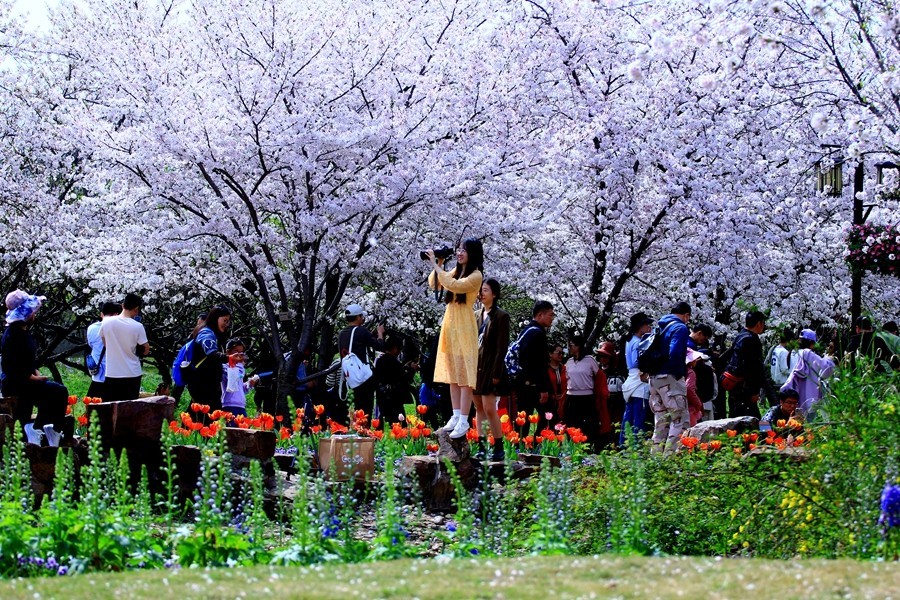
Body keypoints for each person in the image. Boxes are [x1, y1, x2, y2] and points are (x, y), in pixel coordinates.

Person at [427, 239, 484, 439]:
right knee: (453, 374)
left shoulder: (476, 275)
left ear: (472, 254)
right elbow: (434, 283)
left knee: (465, 377)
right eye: (459, 249)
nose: (459, 253)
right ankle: (456, 414)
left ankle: (464, 419)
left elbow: (454, 286)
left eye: (464, 250)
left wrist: (435, 265)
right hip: (450, 323)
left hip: (464, 325)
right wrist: (439, 264)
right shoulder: (456, 271)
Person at [0, 290, 69, 446]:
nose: (34, 314)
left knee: (52, 392)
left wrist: (36, 374)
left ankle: (47, 429)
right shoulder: (15, 335)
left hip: (22, 380)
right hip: (16, 383)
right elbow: (13, 366)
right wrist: (34, 378)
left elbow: (27, 361)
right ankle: (39, 428)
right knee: (59, 392)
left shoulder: (19, 332)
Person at [472, 278, 510, 461]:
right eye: (480, 290)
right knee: (478, 406)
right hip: (476, 366)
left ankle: (498, 446)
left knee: (489, 407)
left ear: (494, 294)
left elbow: (502, 347)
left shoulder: (501, 316)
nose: (482, 294)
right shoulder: (476, 315)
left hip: (490, 366)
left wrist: (496, 372)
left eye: (485, 290)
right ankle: (481, 446)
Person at [649, 302, 691, 454]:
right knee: (679, 418)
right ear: (686, 315)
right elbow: (674, 353)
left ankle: (655, 456)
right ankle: (672, 458)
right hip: (670, 378)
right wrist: (679, 374)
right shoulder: (680, 328)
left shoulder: (659, 327)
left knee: (661, 420)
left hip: (654, 379)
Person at [511, 300, 554, 435]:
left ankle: (521, 445)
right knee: (549, 417)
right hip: (532, 385)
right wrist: (543, 388)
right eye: (550, 315)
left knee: (522, 421)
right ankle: (535, 443)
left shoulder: (526, 331)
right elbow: (538, 363)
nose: (552, 318)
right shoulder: (538, 333)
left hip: (521, 382)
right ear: (540, 315)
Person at [723, 310, 774, 419]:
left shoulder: (740, 335)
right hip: (746, 388)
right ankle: (765, 430)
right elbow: (752, 368)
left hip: (735, 386)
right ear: (759, 323)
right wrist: (754, 391)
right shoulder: (752, 340)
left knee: (736, 417)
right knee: (755, 419)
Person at [99, 293, 150, 402]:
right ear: (136, 309)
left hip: (112, 372)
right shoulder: (138, 326)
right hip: (132, 373)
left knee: (111, 406)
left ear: (123, 305)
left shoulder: (106, 323)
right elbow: (146, 350)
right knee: (129, 407)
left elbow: (105, 343)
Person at [338, 303, 385, 414]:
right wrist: (380, 334)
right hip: (363, 378)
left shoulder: (342, 333)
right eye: (361, 316)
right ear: (358, 317)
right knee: (365, 410)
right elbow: (379, 347)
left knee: (355, 410)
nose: (363, 318)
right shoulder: (361, 331)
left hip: (350, 378)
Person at [187, 305, 232, 413]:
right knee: (205, 415)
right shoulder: (206, 333)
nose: (226, 324)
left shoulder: (215, 334)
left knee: (199, 414)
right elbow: (211, 353)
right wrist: (229, 358)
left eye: (228, 321)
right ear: (215, 318)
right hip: (202, 383)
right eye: (224, 320)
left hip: (210, 383)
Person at [781, 329, 835, 417]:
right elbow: (826, 367)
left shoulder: (791, 353)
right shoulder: (808, 354)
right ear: (811, 343)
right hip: (807, 399)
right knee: (808, 423)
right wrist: (829, 357)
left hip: (793, 397)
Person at [562, 334, 603, 450]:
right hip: (571, 397)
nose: (569, 348)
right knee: (571, 424)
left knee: (587, 425)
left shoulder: (590, 360)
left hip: (586, 397)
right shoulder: (569, 362)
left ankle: (587, 448)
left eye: (571, 345)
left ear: (578, 346)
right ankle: (571, 448)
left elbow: (599, 377)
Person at [621, 312, 651, 446]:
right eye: (647, 325)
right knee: (638, 417)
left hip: (631, 378)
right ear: (640, 326)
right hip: (639, 379)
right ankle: (636, 447)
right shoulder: (639, 342)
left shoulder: (630, 341)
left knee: (628, 417)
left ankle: (623, 444)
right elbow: (636, 361)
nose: (649, 328)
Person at [85, 301, 122, 399]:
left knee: (95, 404)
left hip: (98, 373)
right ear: (117, 315)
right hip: (116, 374)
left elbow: (91, 345)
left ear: (101, 314)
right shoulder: (121, 329)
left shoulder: (92, 328)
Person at [374, 337, 414, 424]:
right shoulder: (394, 362)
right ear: (395, 348)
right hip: (394, 398)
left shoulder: (379, 361)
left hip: (381, 396)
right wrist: (411, 369)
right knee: (398, 422)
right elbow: (404, 379)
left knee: (384, 420)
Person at [221, 338, 259, 422]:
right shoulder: (225, 368)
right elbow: (232, 381)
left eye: (241, 352)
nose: (239, 355)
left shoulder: (239, 368)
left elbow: (239, 388)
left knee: (243, 429)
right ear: (228, 352)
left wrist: (249, 384)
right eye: (236, 351)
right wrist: (239, 365)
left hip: (241, 406)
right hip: (229, 405)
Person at [172, 311, 206, 401]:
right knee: (179, 389)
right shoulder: (193, 336)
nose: (199, 327)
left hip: (197, 370)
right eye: (198, 324)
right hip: (188, 366)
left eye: (202, 325)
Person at [596, 341, 621, 449]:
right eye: (600, 356)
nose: (602, 359)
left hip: (614, 407)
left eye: (605, 356)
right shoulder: (596, 371)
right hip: (600, 405)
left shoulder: (618, 373)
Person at [547, 344, 567, 429]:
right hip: (549, 402)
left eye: (562, 353)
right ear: (550, 354)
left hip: (563, 402)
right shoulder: (545, 369)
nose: (561, 355)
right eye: (559, 353)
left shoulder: (565, 368)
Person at [685, 348, 706, 426]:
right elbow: (689, 389)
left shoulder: (678, 370)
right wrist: (698, 404)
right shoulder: (691, 372)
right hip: (690, 407)